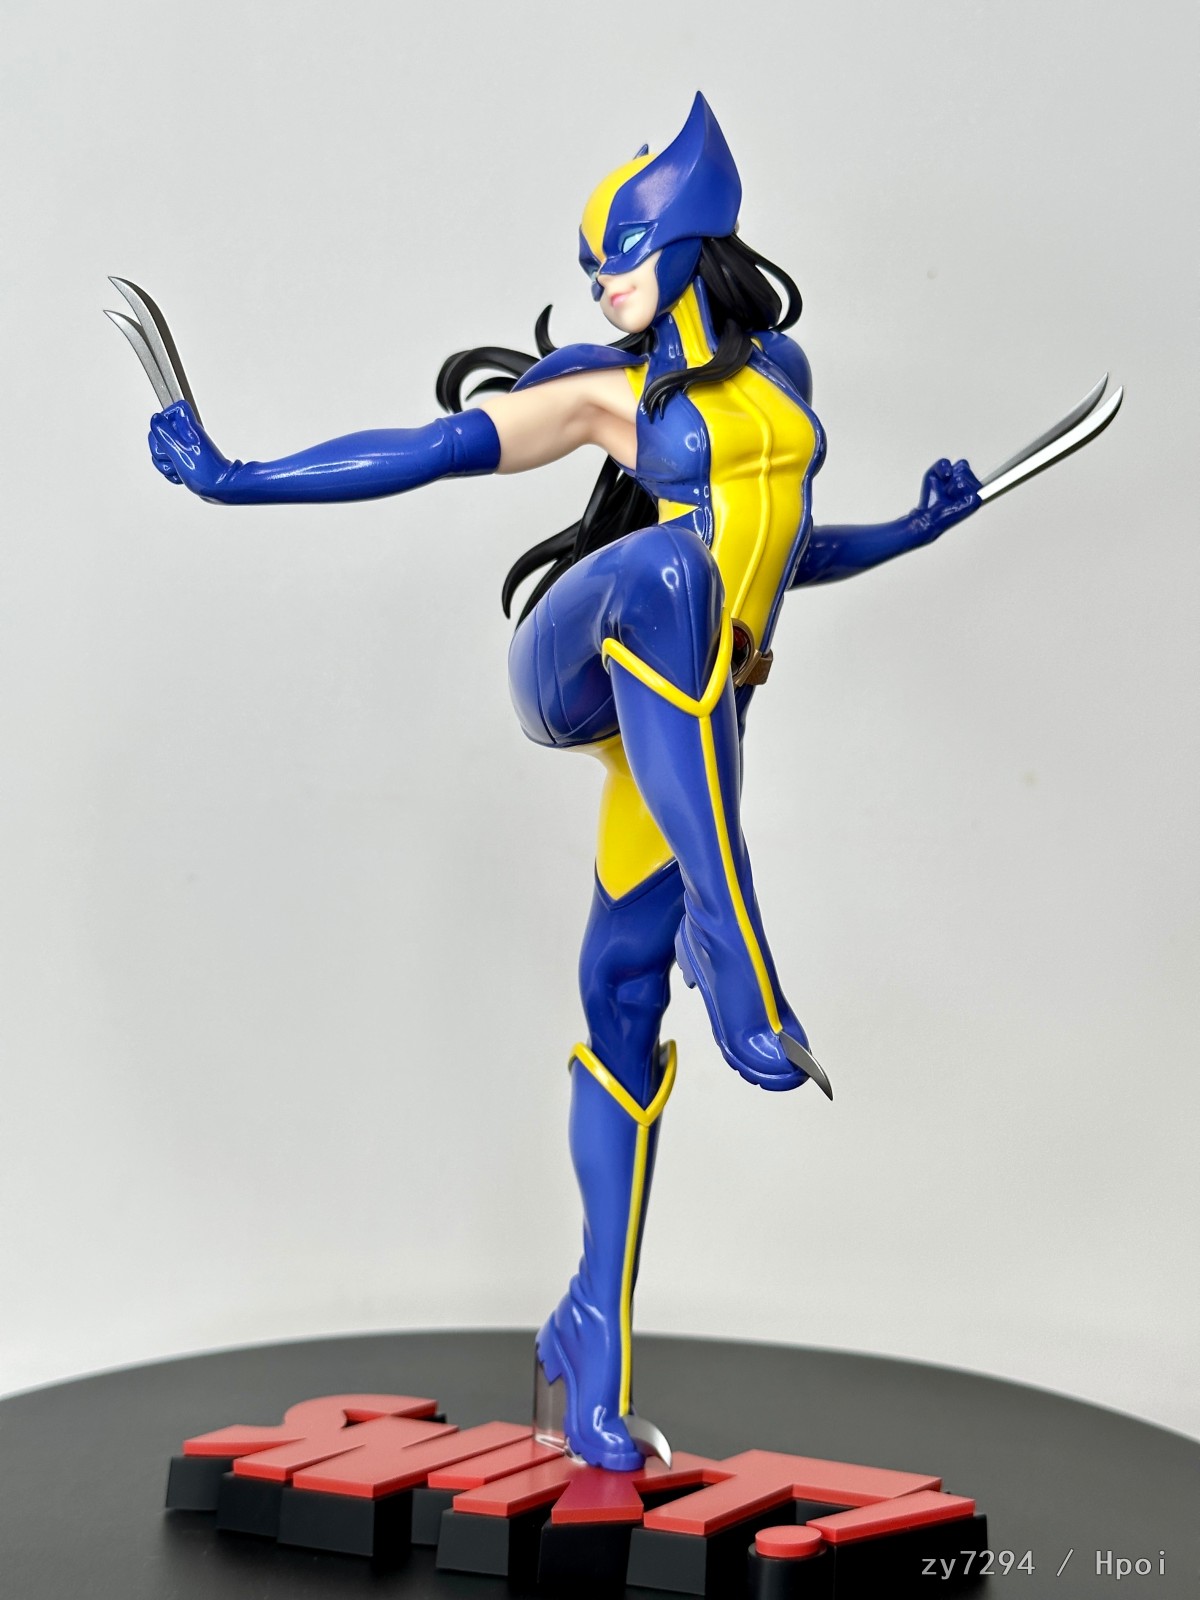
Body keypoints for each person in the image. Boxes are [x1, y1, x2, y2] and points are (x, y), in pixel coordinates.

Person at [144, 93, 982, 1471]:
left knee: (619, 1004)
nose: (601, 285)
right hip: (576, 664)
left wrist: (910, 529)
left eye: (622, 256)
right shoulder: (606, 394)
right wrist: (239, 478)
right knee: (666, 573)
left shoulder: (783, 379)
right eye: (594, 263)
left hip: (682, 713)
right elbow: (434, 451)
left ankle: (591, 1333)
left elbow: (775, 550)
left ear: (693, 239)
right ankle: (739, 949)